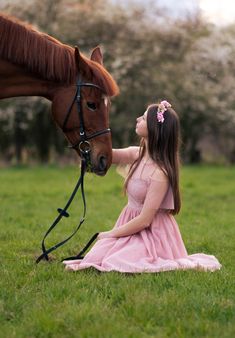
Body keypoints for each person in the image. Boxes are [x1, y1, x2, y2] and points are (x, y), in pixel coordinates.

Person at [63, 100, 221, 273]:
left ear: (155, 129)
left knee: (117, 260)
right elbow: (105, 156)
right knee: (100, 255)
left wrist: (111, 233)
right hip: (130, 223)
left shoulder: (160, 174)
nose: (138, 119)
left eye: (144, 118)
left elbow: (145, 220)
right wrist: (86, 147)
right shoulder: (136, 154)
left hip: (152, 233)